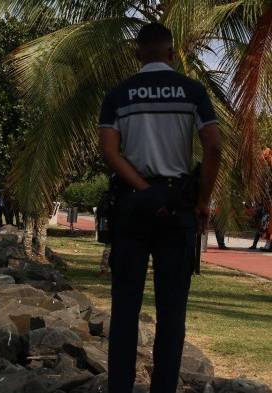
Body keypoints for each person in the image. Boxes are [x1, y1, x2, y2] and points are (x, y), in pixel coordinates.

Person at [98, 23, 221, 393]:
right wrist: (201, 202)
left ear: (138, 54)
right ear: (171, 54)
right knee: (172, 313)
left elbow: (109, 151)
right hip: (178, 206)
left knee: (125, 309)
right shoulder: (193, 91)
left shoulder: (118, 94)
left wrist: (142, 189)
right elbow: (214, 148)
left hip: (132, 206)